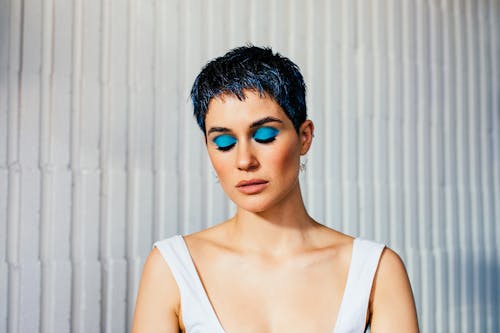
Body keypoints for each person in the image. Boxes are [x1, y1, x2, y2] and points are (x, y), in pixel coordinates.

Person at [132, 45, 419, 333]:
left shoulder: (376, 270)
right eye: (223, 143)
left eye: (265, 136)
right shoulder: (173, 267)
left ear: (304, 137)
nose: (244, 160)